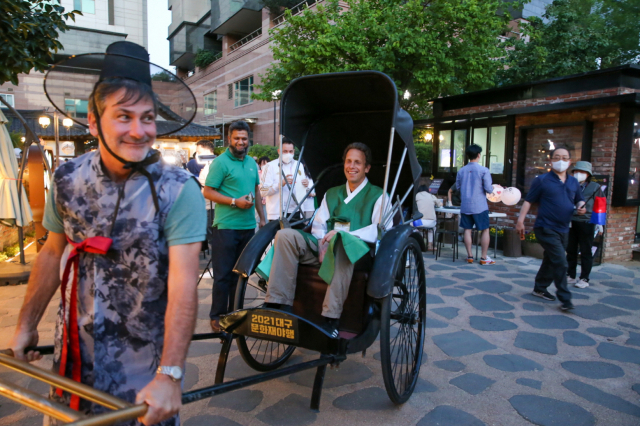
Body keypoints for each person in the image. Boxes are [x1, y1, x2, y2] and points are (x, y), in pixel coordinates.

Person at [8, 41, 206, 426]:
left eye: (147, 118)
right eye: (124, 116)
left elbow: (184, 287)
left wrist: (170, 375)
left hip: (143, 375)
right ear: (94, 121)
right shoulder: (66, 179)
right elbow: (51, 254)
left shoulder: (178, 190)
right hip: (72, 361)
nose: (139, 130)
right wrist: (26, 325)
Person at [264, 143, 391, 337]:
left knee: (342, 243)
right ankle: (277, 303)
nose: (352, 166)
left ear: (367, 168)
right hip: (326, 249)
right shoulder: (332, 193)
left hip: (358, 255)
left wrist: (345, 237)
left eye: (358, 162)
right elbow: (319, 225)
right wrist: (323, 243)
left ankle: (330, 318)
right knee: (285, 236)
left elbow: (380, 229)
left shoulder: (378, 196)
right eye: (348, 161)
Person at [203, 121, 266, 332]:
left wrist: (263, 219)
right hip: (226, 227)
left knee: (241, 275)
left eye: (244, 138)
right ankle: (217, 316)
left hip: (248, 227)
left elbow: (256, 192)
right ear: (229, 139)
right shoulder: (220, 163)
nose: (241, 142)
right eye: (237, 138)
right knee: (223, 275)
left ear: (249, 140)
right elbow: (208, 191)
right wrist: (233, 201)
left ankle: (235, 312)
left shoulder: (251, 163)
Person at [516, 146, 586, 311]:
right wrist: (520, 221)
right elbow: (528, 201)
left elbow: (579, 199)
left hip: (564, 229)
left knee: (551, 259)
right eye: (557, 157)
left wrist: (581, 206)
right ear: (551, 160)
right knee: (561, 262)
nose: (560, 160)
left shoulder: (573, 182)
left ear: (569, 161)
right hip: (545, 227)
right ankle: (565, 299)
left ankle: (539, 288)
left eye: (564, 157)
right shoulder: (542, 180)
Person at [456, 144, 495, 265]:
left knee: (467, 230)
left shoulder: (461, 171)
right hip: (480, 206)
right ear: (479, 155)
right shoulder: (484, 170)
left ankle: (470, 256)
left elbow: (458, 187)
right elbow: (489, 189)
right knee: (484, 230)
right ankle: (483, 257)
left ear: (468, 156)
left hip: (466, 205)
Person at [566, 161, 603, 288]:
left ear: (588, 174)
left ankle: (584, 278)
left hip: (586, 222)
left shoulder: (595, 187)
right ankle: (570, 275)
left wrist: (600, 223)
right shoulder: (569, 184)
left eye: (582, 172)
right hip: (571, 221)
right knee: (570, 249)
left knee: (586, 251)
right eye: (576, 171)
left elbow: (600, 205)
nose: (578, 174)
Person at [260, 138, 307, 221]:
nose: (288, 154)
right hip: (277, 213)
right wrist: (280, 184)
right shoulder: (270, 166)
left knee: (296, 234)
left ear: (294, 151)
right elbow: (262, 191)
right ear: (279, 151)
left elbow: (303, 189)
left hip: (296, 212)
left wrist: (305, 185)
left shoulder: (298, 165)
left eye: (290, 151)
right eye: (285, 151)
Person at [414, 184, 442, 250]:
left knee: (412, 226)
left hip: (419, 222)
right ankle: (430, 245)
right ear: (427, 190)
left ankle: (418, 243)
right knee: (432, 229)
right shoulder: (432, 196)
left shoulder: (416, 196)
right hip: (431, 222)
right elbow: (440, 204)